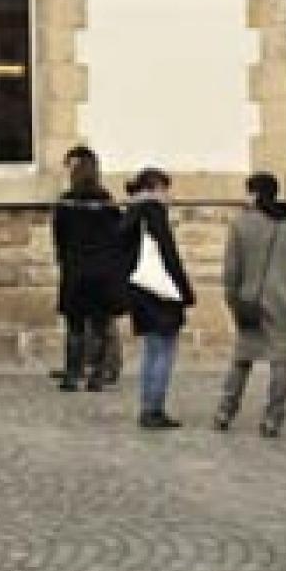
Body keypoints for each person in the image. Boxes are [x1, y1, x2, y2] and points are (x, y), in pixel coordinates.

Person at [212, 173, 286, 438]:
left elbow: (231, 271)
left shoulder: (241, 225)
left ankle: (225, 411)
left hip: (251, 299)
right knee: (281, 363)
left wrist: (233, 301)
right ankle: (273, 420)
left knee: (242, 359)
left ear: (253, 193)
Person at [122, 168, 196, 430]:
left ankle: (147, 405)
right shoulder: (153, 214)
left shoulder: (131, 213)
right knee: (164, 350)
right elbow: (169, 256)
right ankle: (154, 408)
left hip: (139, 289)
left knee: (151, 351)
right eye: (165, 189)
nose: (168, 196)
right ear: (154, 189)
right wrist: (185, 292)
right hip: (160, 291)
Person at [51, 151, 125, 392]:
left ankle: (72, 374)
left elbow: (59, 237)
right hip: (101, 272)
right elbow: (118, 236)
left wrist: (64, 260)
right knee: (101, 326)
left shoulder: (66, 203)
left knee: (75, 327)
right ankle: (96, 375)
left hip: (75, 270)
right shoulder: (106, 202)